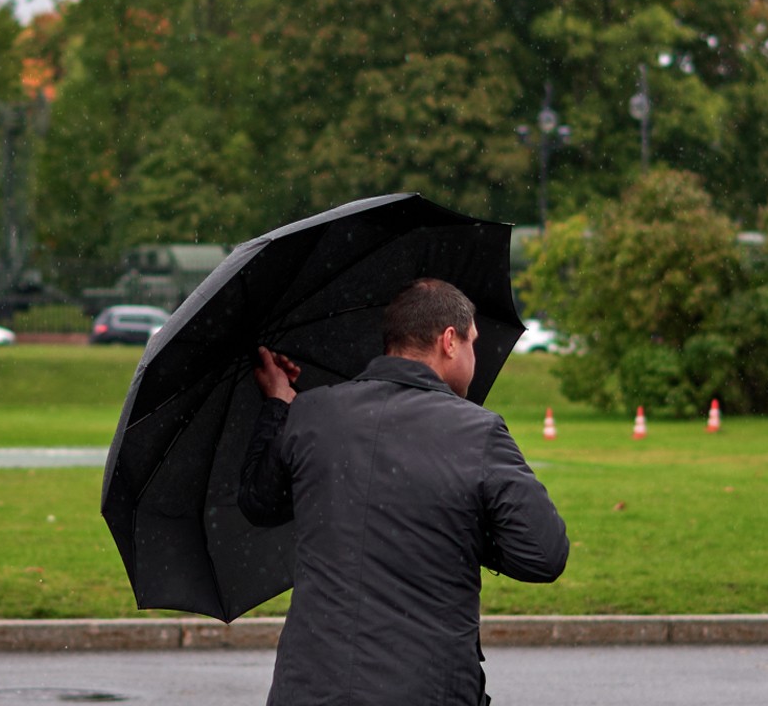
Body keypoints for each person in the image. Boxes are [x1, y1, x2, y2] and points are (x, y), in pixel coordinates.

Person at [239, 277, 568, 705]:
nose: (475, 355)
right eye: (472, 342)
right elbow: (543, 554)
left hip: (310, 687)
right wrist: (460, 528)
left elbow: (258, 502)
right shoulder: (475, 431)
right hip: (425, 687)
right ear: (449, 341)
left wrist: (279, 404)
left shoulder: (312, 413)